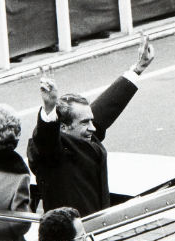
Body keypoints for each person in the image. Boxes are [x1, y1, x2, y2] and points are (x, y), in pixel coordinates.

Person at [27, 37, 155, 216]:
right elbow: (45, 138)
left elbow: (107, 107)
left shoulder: (81, 137)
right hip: (71, 235)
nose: (93, 128)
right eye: (85, 123)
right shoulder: (50, 152)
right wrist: (49, 108)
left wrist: (137, 70)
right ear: (63, 127)